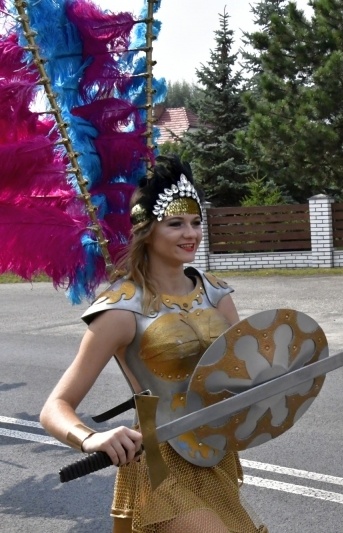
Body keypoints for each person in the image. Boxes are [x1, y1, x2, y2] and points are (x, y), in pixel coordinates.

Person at [40, 155, 267, 533]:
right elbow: (55, 407)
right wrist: (93, 438)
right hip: (158, 464)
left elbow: (245, 371)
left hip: (214, 454)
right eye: (175, 224)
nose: (190, 234)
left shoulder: (216, 293)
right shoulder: (121, 308)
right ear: (147, 230)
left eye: (195, 222)